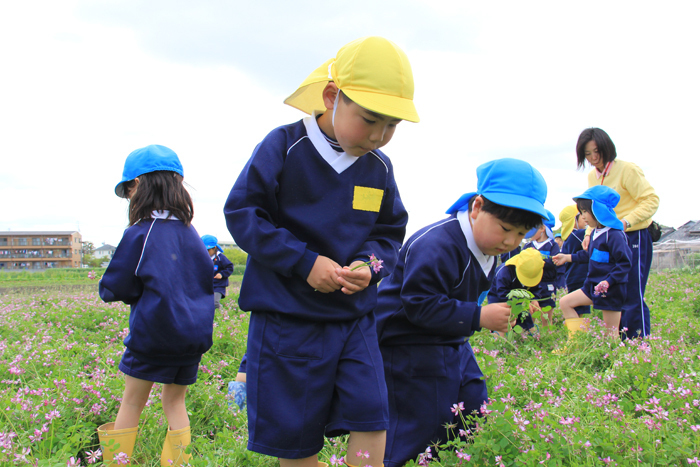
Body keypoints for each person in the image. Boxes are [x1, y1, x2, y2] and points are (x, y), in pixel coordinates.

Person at [224, 36, 419, 467]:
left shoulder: (379, 168)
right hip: (289, 318)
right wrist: (304, 261)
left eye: (392, 126)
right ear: (332, 97)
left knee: (371, 415)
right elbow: (243, 213)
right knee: (295, 434)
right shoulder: (285, 147)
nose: (379, 136)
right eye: (369, 120)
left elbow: (390, 233)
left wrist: (370, 266)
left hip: (355, 319)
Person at [375, 158, 547, 467]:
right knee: (422, 421)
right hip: (406, 345)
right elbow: (419, 304)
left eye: (521, 234)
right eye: (506, 228)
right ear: (478, 207)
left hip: (449, 338)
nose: (510, 241)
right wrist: (479, 316)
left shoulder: (490, 248)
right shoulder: (437, 244)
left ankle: (459, 457)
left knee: (474, 403)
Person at [97, 145, 215, 466]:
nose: (129, 198)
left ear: (139, 186)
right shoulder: (192, 234)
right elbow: (205, 280)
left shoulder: (140, 233)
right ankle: (178, 463)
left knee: (133, 402)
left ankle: (117, 462)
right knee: (175, 403)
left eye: (128, 190)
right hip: (193, 338)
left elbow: (113, 287)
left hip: (154, 334)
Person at [575, 127, 659, 338]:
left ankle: (638, 344)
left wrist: (626, 222)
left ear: (607, 148)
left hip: (632, 234)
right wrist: (587, 235)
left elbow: (651, 200)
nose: (593, 158)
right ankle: (617, 344)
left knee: (631, 290)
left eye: (596, 151)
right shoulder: (592, 177)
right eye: (587, 154)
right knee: (611, 289)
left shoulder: (627, 170)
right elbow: (590, 210)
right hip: (605, 238)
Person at [553, 186, 632, 348]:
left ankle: (614, 365)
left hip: (610, 290)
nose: (583, 217)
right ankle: (576, 343)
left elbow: (625, 263)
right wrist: (566, 257)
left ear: (598, 210)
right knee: (565, 302)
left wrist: (609, 281)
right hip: (592, 286)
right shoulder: (596, 233)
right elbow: (588, 256)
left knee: (611, 334)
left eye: (584, 212)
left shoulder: (615, 235)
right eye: (581, 213)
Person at [488, 248, 546, 335]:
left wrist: (534, 299)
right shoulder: (505, 271)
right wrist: (522, 304)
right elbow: (503, 294)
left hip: (520, 299)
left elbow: (536, 288)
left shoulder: (534, 272)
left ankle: (527, 333)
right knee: (502, 321)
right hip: (499, 298)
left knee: (526, 316)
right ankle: (498, 338)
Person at [522, 210, 561, 326]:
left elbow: (553, 261)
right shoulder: (528, 246)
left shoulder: (552, 245)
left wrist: (535, 261)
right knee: (530, 312)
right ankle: (530, 335)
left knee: (547, 314)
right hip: (531, 284)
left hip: (547, 283)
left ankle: (547, 337)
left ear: (542, 228)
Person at [558, 205, 590, 316]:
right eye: (582, 216)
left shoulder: (567, 237)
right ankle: (578, 331)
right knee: (578, 309)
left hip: (572, 277)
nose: (586, 220)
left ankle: (576, 330)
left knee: (576, 309)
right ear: (574, 220)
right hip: (579, 277)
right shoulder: (578, 235)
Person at [201, 234, 234, 310]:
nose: (205, 252)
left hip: (219, 285)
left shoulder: (221, 258)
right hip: (207, 285)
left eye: (208, 250)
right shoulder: (203, 258)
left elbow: (230, 267)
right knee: (205, 302)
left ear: (214, 248)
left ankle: (221, 314)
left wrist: (222, 274)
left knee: (215, 302)